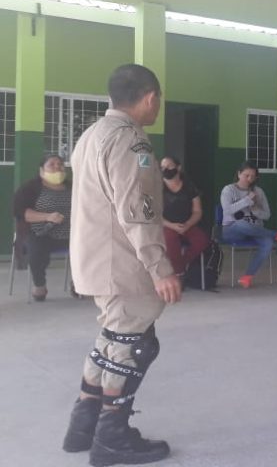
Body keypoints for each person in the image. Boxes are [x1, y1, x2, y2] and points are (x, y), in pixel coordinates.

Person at [61, 64, 181, 465]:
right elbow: (139, 211)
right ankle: (112, 436)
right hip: (123, 264)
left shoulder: (90, 136)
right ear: (149, 98)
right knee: (133, 345)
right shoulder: (132, 144)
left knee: (111, 339)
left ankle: (83, 425)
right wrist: (159, 267)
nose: (158, 107)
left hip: (94, 260)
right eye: (158, 100)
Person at [220, 161, 277, 288]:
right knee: (241, 224)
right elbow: (227, 210)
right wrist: (247, 200)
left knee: (267, 243)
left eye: (253, 176)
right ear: (239, 174)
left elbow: (267, 215)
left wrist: (254, 208)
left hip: (255, 230)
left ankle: (247, 277)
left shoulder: (259, 191)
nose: (249, 179)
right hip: (232, 230)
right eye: (246, 175)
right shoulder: (228, 189)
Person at [12, 154, 72, 301]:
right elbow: (20, 212)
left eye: (60, 164)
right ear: (41, 170)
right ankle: (40, 284)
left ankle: (79, 283)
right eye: (52, 164)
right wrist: (47, 217)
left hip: (70, 234)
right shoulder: (30, 188)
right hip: (39, 233)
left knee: (89, 247)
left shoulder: (71, 187)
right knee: (36, 248)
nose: (57, 167)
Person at [159, 156, 211, 287]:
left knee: (202, 240)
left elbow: (197, 211)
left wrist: (187, 224)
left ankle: (181, 265)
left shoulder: (189, 186)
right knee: (170, 240)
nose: (165, 169)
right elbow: (153, 214)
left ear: (178, 168)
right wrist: (172, 225)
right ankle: (179, 275)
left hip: (187, 224)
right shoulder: (157, 187)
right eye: (162, 167)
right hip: (166, 224)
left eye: (169, 166)